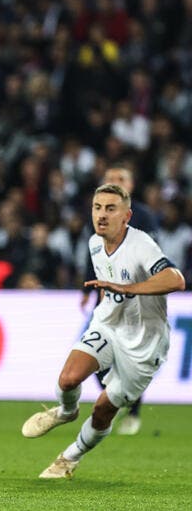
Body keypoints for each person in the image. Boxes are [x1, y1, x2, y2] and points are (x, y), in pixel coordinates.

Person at [22, 183, 185, 479]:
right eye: (97, 208)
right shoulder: (94, 243)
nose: (102, 215)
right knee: (68, 378)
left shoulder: (142, 244)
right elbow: (108, 285)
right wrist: (107, 304)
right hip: (109, 324)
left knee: (102, 410)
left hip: (145, 344)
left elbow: (176, 279)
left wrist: (129, 288)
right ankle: (66, 411)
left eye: (111, 209)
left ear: (127, 216)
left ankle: (69, 458)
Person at [80, 166, 159, 435]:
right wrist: (86, 289)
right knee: (91, 357)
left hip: (136, 302)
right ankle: (114, 401)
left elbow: (152, 260)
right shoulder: (98, 215)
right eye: (111, 179)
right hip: (104, 298)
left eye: (121, 179)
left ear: (132, 185)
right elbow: (93, 255)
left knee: (132, 358)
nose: (115, 182)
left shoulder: (144, 217)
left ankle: (133, 411)